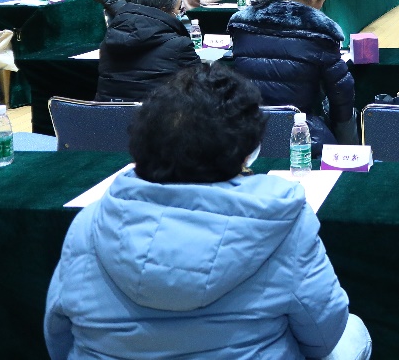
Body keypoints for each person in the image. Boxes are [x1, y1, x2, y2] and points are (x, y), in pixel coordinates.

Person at [45, 62, 371, 360]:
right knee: (353, 334)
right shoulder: (287, 222)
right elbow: (323, 337)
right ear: (246, 149)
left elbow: (59, 337)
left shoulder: (89, 221)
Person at [229, 0, 357, 147]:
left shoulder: (243, 22)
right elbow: (341, 90)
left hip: (246, 129)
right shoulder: (320, 31)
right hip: (299, 132)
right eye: (323, 0)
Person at [95, 0, 201, 101]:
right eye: (179, 9)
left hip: (106, 110)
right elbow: (200, 86)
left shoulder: (108, 40)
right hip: (153, 111)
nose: (180, 14)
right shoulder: (180, 45)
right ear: (163, 10)